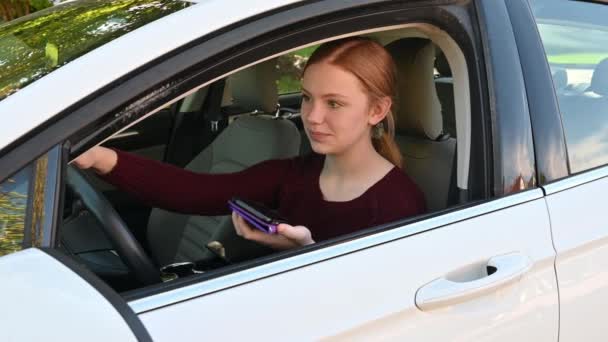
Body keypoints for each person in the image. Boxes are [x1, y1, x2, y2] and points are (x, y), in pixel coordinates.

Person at [73, 37, 426, 252]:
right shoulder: (293, 173)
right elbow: (192, 191)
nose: (312, 117)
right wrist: (100, 157)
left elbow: (372, 305)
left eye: (333, 103)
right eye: (306, 98)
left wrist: (306, 250)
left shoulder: (398, 204)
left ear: (376, 111)